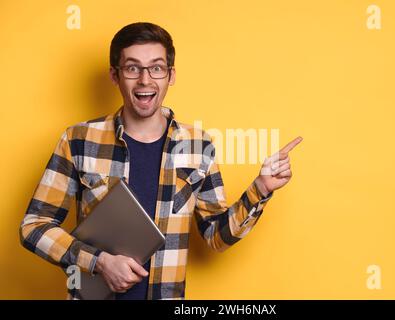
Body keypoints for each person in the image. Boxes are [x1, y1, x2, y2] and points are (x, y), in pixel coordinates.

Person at [19, 22, 302, 300]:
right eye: (132, 68)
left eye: (156, 68)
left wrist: (261, 189)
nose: (145, 80)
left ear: (170, 75)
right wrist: (99, 261)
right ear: (115, 76)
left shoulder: (197, 145)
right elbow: (34, 226)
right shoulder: (78, 140)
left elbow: (216, 237)